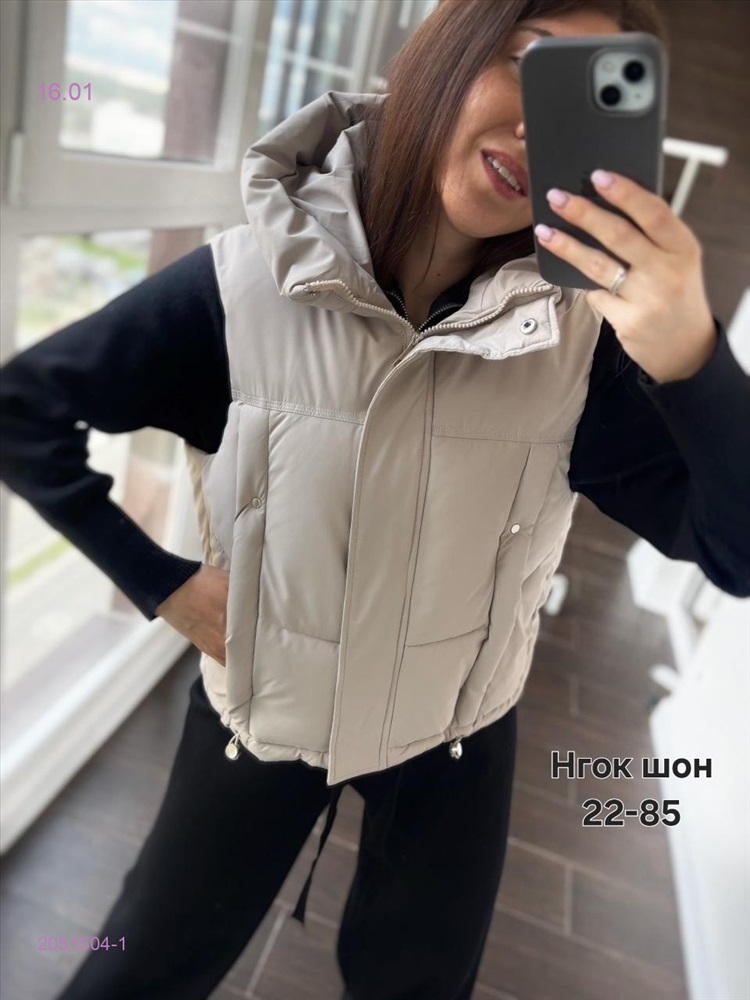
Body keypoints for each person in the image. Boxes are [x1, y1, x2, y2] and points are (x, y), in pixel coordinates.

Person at [1, 1, 749, 998]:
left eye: (581, 99)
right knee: (134, 974)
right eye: (525, 63)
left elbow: (737, 553)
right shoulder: (241, 289)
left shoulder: (581, 347)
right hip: (269, 715)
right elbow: (22, 410)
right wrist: (163, 584)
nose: (537, 125)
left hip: (458, 733)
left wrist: (696, 360)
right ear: (447, 48)